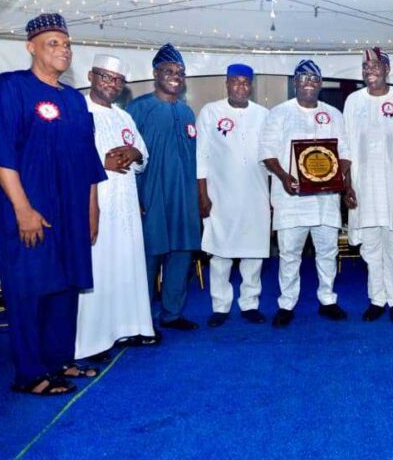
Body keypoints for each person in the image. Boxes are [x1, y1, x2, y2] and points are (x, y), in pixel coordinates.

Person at [0, 14, 106, 395]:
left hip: (71, 211)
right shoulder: (11, 87)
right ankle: (30, 373)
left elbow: (88, 160)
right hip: (29, 210)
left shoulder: (74, 100)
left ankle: (59, 360)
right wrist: (23, 209)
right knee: (30, 288)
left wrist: (92, 209)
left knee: (65, 285)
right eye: (53, 43)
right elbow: (2, 154)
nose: (63, 50)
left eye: (67, 43)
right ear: (30, 47)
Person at [76, 55, 157, 361]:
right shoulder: (78, 111)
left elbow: (143, 156)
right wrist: (102, 163)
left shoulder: (124, 117)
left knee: (126, 266)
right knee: (98, 269)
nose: (112, 84)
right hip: (93, 204)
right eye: (105, 77)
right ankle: (91, 341)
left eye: (118, 80)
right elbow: (66, 158)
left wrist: (134, 153)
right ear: (91, 76)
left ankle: (128, 328)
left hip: (125, 206)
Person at [259, 60, 350, 326]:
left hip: (326, 199)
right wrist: (284, 176)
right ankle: (286, 304)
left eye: (313, 79)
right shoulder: (279, 113)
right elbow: (267, 153)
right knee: (289, 254)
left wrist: (337, 176)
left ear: (320, 84)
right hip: (291, 198)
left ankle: (328, 300)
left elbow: (345, 152)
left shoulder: (334, 114)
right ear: (295, 83)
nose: (308, 83)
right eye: (303, 78)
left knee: (328, 252)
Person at [127, 43, 201, 331]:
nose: (175, 77)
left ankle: (172, 314)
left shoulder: (187, 112)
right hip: (151, 195)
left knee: (181, 254)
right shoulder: (138, 109)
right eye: (168, 71)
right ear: (155, 74)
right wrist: (135, 197)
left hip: (183, 197)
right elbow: (127, 156)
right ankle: (141, 319)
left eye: (180, 72)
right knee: (149, 256)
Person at [344, 47, 393, 323]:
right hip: (364, 188)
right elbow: (345, 146)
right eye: (365, 67)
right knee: (371, 248)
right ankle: (377, 299)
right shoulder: (353, 101)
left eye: (375, 66)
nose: (369, 71)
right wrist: (347, 185)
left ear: (387, 69)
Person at [197, 64, 270, 328]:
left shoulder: (264, 115)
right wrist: (202, 194)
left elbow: (270, 156)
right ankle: (220, 306)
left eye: (245, 82)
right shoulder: (210, 112)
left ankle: (250, 303)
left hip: (255, 194)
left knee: (253, 253)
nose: (240, 86)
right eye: (235, 81)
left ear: (251, 86)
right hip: (220, 195)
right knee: (220, 253)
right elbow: (201, 155)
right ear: (226, 83)